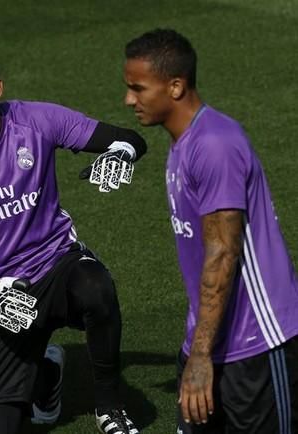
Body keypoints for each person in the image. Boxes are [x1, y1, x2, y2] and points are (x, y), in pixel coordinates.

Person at [0, 43, 146, 434]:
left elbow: (130, 138)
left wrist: (122, 154)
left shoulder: (37, 120)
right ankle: (45, 371)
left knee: (95, 287)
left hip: (57, 266)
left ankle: (109, 406)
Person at [123, 28, 298, 433]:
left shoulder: (215, 144)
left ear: (176, 86)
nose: (129, 99)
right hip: (208, 343)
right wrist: (197, 351)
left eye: (138, 88)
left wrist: (200, 356)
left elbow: (223, 254)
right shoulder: (184, 142)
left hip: (256, 348)